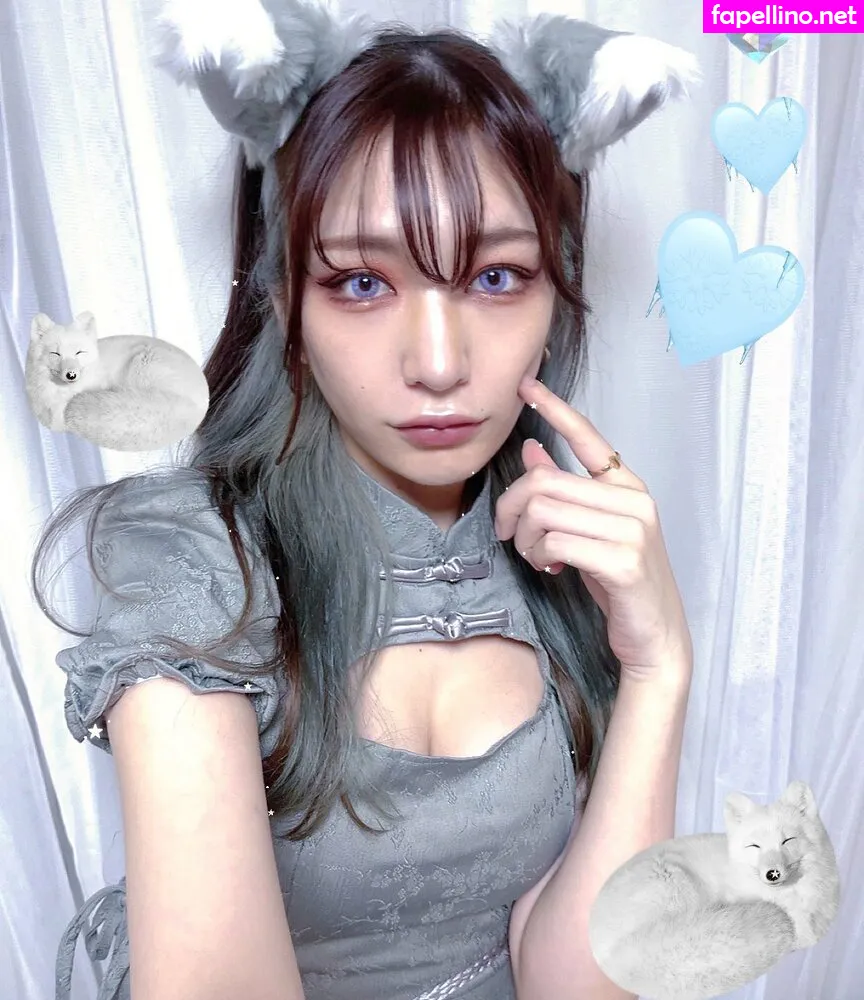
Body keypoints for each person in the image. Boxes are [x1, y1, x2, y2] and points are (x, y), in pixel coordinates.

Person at [37, 3, 698, 999]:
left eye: (496, 275)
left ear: (555, 292)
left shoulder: (556, 549)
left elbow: (578, 984)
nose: (437, 363)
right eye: (359, 284)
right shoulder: (192, 566)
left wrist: (657, 668)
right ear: (284, 301)